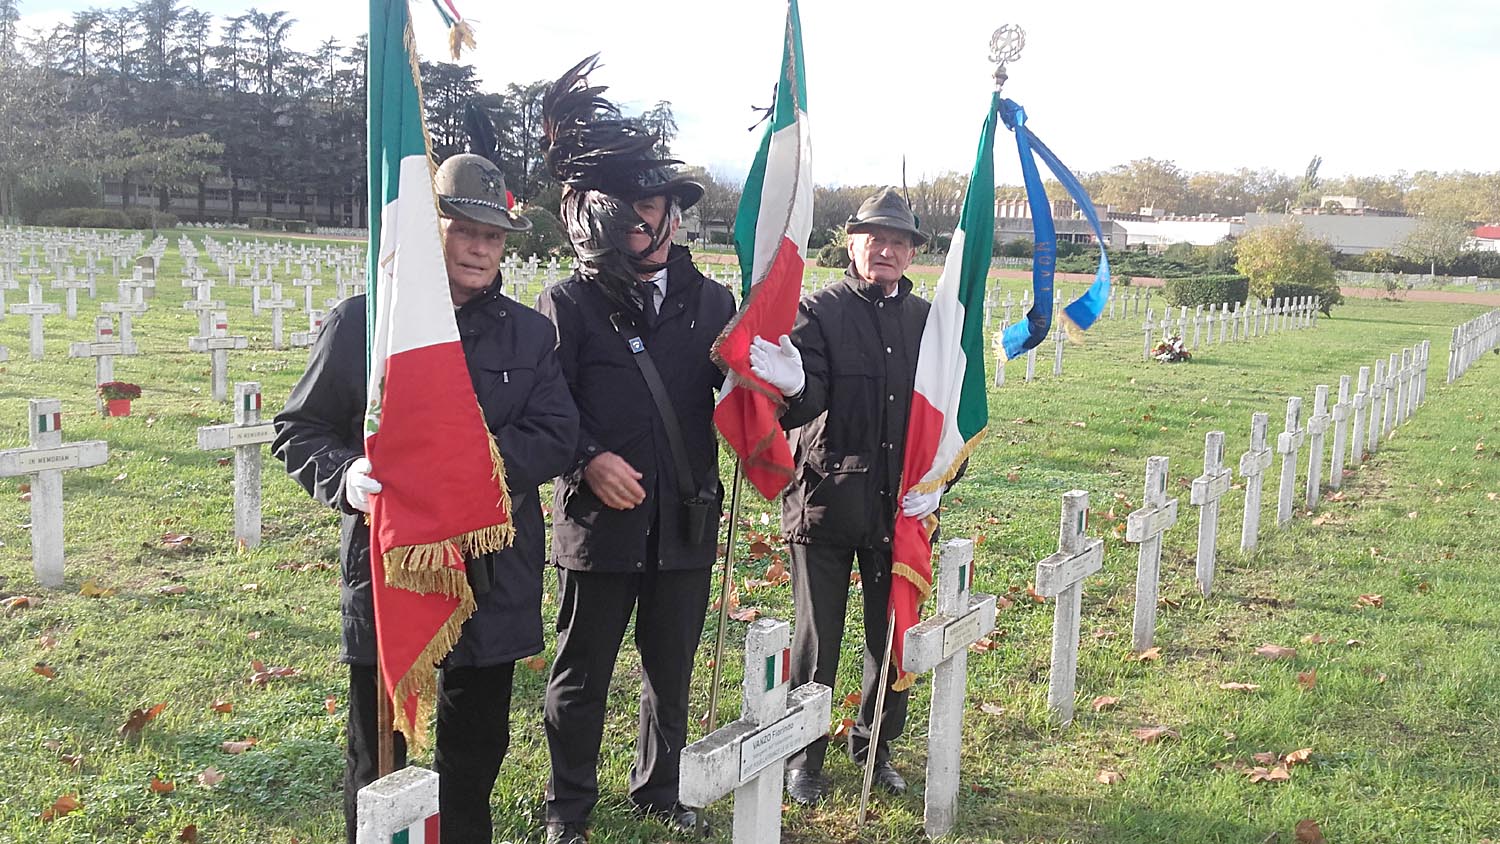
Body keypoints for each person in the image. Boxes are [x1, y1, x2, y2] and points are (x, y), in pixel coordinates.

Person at [273, 152, 579, 844]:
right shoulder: (365, 325)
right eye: (463, 229)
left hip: (491, 572)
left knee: (474, 752)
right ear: (427, 227)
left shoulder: (530, 334)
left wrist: (464, 470)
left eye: (493, 236)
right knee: (377, 755)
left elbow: (557, 433)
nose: (479, 248)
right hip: (393, 567)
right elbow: (299, 430)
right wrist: (345, 475)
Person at [534, 56, 736, 844]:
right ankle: (568, 808)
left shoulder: (712, 301)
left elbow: (737, 400)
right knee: (581, 676)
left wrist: (771, 382)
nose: (651, 224)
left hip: (684, 519)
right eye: (637, 210)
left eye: (659, 208)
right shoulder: (568, 303)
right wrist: (587, 457)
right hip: (600, 524)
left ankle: (659, 789)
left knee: (670, 672)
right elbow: (547, 408)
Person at [749, 187, 950, 805]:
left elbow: (947, 417)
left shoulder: (930, 324)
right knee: (819, 641)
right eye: (875, 239)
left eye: (898, 241)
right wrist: (791, 385)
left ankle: (874, 746)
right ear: (853, 244)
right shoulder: (818, 312)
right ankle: (804, 756)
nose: (886, 250)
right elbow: (801, 405)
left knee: (890, 636)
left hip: (898, 505)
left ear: (912, 252)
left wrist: (940, 481)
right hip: (826, 499)